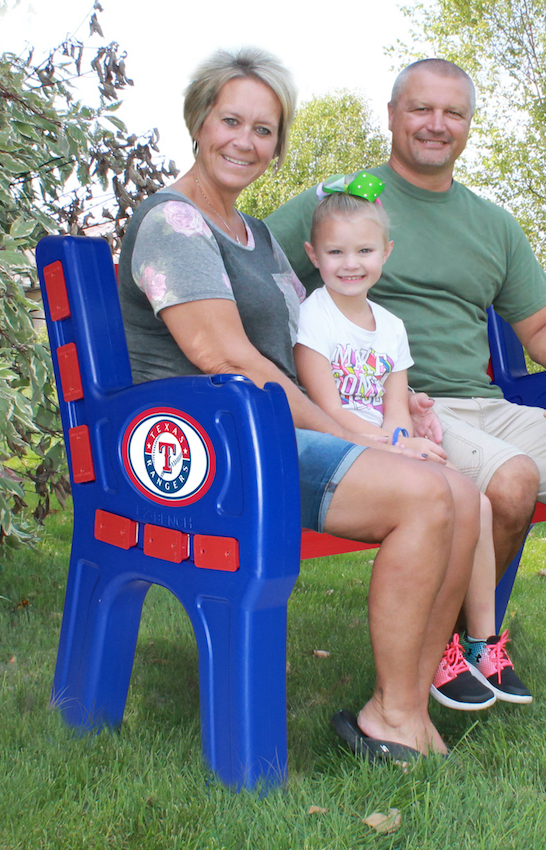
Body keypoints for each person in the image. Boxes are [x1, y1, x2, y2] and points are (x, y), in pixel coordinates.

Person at [267, 58, 546, 721]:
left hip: (489, 405)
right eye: (421, 109)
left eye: (454, 113)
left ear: (469, 126)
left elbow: (541, 323)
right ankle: (453, 651)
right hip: (402, 408)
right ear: (392, 116)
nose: (436, 125)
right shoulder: (344, 203)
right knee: (510, 481)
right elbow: (252, 268)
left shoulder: (491, 223)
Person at [117, 46, 490, 761]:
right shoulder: (174, 223)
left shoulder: (254, 236)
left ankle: (401, 706)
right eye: (231, 120)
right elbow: (224, 357)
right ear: (199, 122)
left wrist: (396, 409)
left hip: (267, 431)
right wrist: (364, 441)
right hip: (207, 446)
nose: (245, 141)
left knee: (461, 492)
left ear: (278, 145)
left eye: (264, 130)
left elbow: (309, 351)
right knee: (424, 496)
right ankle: (399, 713)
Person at [294, 175, 531, 709]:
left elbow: (395, 403)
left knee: (477, 500)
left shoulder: (392, 327)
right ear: (313, 254)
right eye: (335, 251)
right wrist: (394, 447)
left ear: (386, 253)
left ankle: (480, 643)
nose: (350, 263)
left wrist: (405, 438)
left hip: (385, 444)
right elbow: (326, 407)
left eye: (364, 250)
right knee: (441, 495)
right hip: (341, 445)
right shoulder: (315, 315)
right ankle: (437, 652)